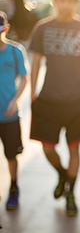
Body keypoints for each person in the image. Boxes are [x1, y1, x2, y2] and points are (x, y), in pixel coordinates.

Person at [28, 0, 80, 217]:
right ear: (55, 1)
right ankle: (62, 174)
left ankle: (71, 193)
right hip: (48, 98)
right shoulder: (43, 28)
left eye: (71, 1)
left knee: (74, 150)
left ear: (76, 3)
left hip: (75, 101)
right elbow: (36, 61)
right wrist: (33, 94)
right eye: (62, 0)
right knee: (48, 148)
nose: (66, 5)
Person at [0, 12, 28, 210]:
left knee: (11, 155)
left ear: (6, 29)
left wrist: (14, 101)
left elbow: (24, 79)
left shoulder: (15, 51)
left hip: (9, 115)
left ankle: (14, 186)